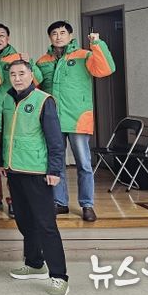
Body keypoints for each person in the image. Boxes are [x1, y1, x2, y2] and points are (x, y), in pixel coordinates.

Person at [0, 60, 69, 295]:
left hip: (37, 171)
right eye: (13, 74)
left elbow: (55, 139)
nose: (17, 78)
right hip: (14, 169)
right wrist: (2, 161)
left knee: (45, 224)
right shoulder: (8, 99)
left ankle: (59, 276)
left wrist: (55, 169)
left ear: (31, 75)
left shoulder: (43, 100)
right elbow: (5, 132)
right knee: (24, 220)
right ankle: (35, 263)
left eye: (22, 73)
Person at [36, 21, 115, 222]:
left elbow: (106, 69)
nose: (58, 36)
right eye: (54, 33)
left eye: (62, 32)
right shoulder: (43, 61)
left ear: (70, 36)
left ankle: (87, 205)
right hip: (53, 119)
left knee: (84, 164)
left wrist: (97, 44)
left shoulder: (84, 55)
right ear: (50, 37)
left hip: (78, 118)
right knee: (56, 163)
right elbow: (34, 85)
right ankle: (60, 202)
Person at [0, 23, 42, 217]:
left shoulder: (18, 58)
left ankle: (15, 200)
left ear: (8, 39)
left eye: (1, 35)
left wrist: (29, 62)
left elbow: (37, 79)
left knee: (12, 164)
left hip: (13, 119)